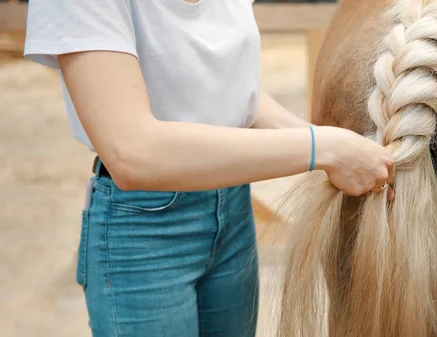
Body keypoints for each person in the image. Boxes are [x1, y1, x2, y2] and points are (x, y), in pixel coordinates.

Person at [23, 0, 395, 336]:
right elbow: (131, 151)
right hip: (145, 228)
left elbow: (234, 96)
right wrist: (322, 148)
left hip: (232, 212)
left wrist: (342, 147)